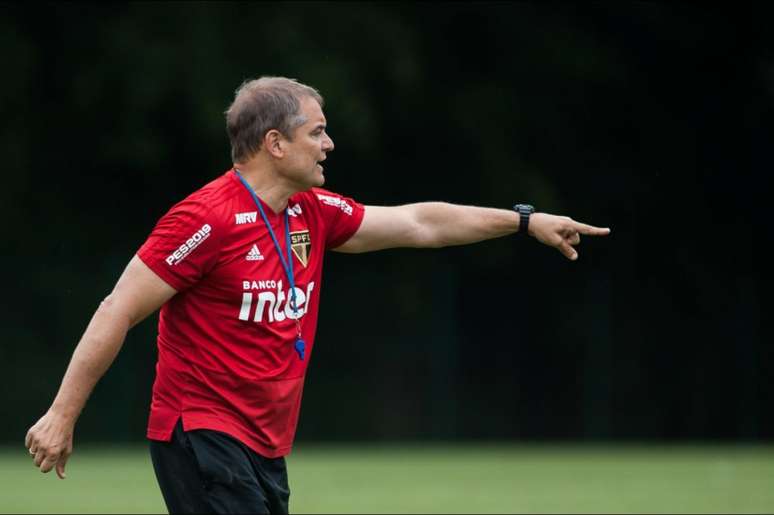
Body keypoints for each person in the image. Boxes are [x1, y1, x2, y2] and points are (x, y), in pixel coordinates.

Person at [25, 76, 611, 514]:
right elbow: (117, 309)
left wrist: (523, 221)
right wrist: (61, 414)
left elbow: (418, 224)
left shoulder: (311, 212)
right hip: (201, 430)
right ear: (275, 144)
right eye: (318, 131)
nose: (329, 144)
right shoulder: (204, 220)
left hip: (265, 438)